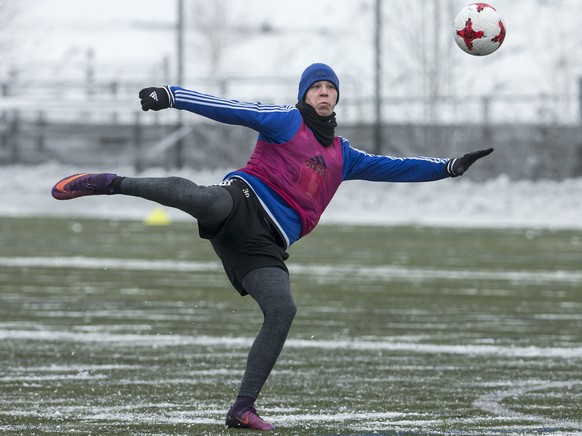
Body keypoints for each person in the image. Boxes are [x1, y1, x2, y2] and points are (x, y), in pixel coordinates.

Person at [51, 63, 493, 431]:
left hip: (266, 244)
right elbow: (231, 109)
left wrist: (449, 167)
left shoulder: (345, 155)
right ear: (304, 95)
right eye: (316, 87)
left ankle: (242, 408)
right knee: (201, 198)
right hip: (241, 202)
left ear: (337, 99)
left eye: (330, 89)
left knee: (282, 310)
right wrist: (173, 94)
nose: (323, 93)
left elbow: (399, 167)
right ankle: (111, 183)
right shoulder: (287, 121)